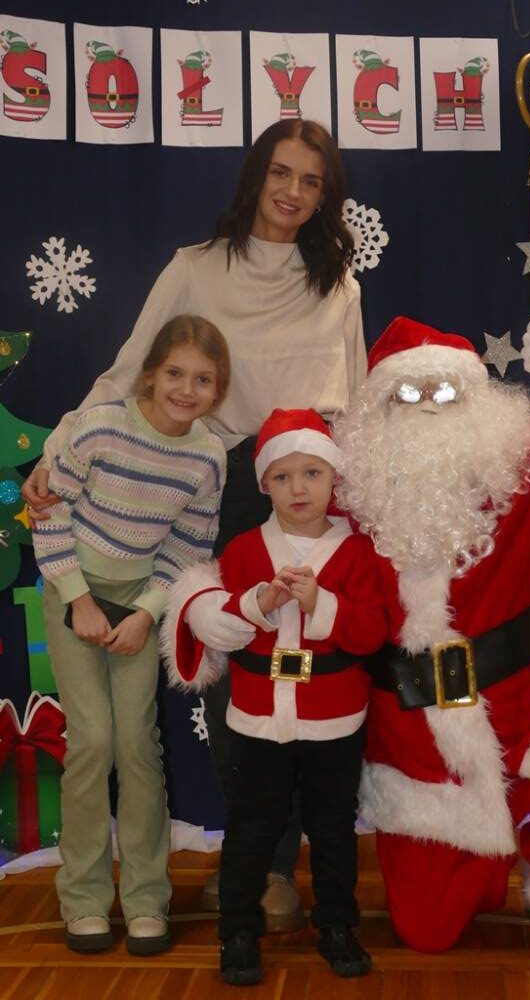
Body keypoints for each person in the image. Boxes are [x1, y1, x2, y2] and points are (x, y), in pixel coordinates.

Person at [21, 118, 364, 926]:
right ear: (254, 177)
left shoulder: (339, 286)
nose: (292, 192)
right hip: (211, 480)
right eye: (279, 172)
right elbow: (128, 372)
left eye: (310, 180)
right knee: (231, 676)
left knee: (298, 667)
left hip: (305, 484)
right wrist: (58, 450)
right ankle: (249, 855)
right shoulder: (195, 268)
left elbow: (353, 405)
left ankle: (276, 867)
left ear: (325, 196)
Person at [333, 314, 530, 972]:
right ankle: (481, 856)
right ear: (378, 411)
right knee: (426, 929)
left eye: (445, 392)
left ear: (476, 401)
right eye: (409, 393)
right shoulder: (348, 500)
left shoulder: (522, 478)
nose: (428, 407)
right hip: (419, 739)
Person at [161, 408, 386, 985]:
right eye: (282, 477)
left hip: (334, 717)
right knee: (252, 827)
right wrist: (258, 603)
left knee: (332, 828)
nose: (298, 488)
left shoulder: (358, 553)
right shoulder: (242, 551)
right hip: (257, 717)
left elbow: (371, 634)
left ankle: (337, 926)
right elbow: (223, 627)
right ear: (263, 484)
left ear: (334, 478)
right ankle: (238, 932)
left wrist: (321, 605)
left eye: (312, 473)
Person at [32, 315, 229, 955]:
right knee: (92, 742)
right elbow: (49, 515)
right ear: (149, 374)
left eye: (203, 380)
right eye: (175, 373)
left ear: (219, 389)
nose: (186, 390)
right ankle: (85, 899)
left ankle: (146, 900)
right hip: (74, 593)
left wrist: (145, 614)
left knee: (138, 746)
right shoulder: (100, 427)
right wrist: (80, 601)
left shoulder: (207, 456)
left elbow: (188, 547)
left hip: (139, 606)